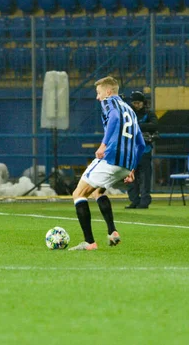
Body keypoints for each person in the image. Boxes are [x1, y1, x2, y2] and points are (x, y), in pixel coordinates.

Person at [69, 76, 145, 251]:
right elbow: (141, 143)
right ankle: (112, 232)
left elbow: (115, 120)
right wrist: (132, 168)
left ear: (108, 91)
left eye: (98, 92)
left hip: (111, 157)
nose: (98, 97)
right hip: (125, 164)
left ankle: (89, 243)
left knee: (78, 194)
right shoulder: (131, 110)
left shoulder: (110, 102)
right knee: (97, 192)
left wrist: (103, 145)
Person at [126, 91, 158, 209]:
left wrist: (137, 126)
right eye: (134, 103)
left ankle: (144, 201)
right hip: (130, 150)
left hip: (144, 149)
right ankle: (134, 200)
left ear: (143, 103)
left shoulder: (149, 113)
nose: (136, 105)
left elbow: (155, 125)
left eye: (138, 103)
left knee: (145, 177)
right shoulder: (128, 113)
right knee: (130, 176)